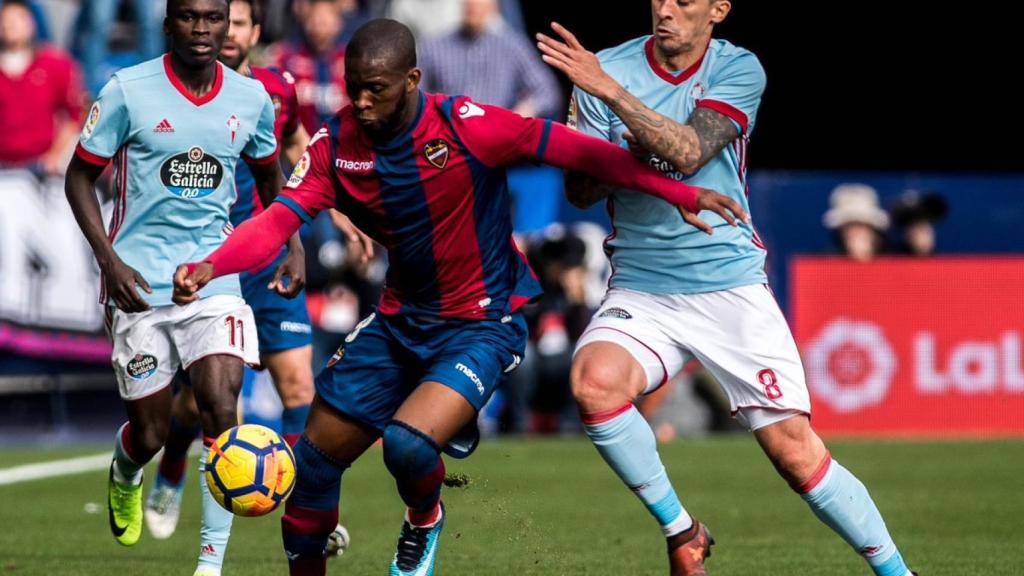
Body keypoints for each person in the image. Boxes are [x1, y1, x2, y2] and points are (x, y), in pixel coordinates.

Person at [172, 18, 747, 576]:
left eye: (377, 89)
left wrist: (678, 191)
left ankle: (424, 517)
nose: (362, 103)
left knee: (405, 446)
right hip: (399, 321)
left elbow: (582, 153)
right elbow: (274, 223)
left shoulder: (467, 125)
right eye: (354, 89)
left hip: (480, 324)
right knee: (312, 469)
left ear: (412, 81)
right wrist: (210, 265)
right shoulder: (334, 147)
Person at [536, 1, 917, 575]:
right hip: (642, 286)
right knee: (595, 384)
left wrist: (612, 97)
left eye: (685, 2)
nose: (667, 11)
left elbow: (689, 152)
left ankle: (897, 572)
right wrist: (612, 145)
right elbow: (581, 193)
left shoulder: (737, 69)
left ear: (718, 10)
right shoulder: (607, 65)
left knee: (795, 454)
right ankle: (681, 529)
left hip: (727, 285)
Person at [64, 1, 289, 575]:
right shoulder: (127, 90)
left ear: (227, 25)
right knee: (153, 432)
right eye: (189, 16)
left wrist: (294, 242)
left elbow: (270, 177)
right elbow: (79, 176)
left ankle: (209, 566)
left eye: (214, 17)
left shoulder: (251, 98)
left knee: (221, 407)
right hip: (138, 285)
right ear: (169, 24)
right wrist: (108, 260)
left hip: (212, 280)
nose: (202, 28)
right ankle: (127, 470)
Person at [141, 0, 360, 557]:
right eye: (219, 20)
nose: (226, 32)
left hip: (264, 260)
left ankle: (299, 505)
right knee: (201, 406)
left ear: (254, 31)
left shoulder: (274, 90)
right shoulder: (174, 90)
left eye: (237, 22)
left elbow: (297, 153)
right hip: (208, 268)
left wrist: (337, 212)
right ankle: (171, 467)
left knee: (298, 387)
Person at [0, 0, 84, 175]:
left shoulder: (54, 64)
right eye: (5, 20)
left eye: (18, 18)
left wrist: (54, 156)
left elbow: (75, 115)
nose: (10, 25)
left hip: (41, 166)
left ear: (31, 23)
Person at [824, 183, 890, 261]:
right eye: (850, 226)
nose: (856, 232)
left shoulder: (894, 260)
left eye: (861, 225)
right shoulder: (826, 264)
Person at [889, 190, 947, 256]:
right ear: (906, 234)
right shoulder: (892, 261)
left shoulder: (941, 264)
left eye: (927, 227)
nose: (924, 234)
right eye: (918, 228)